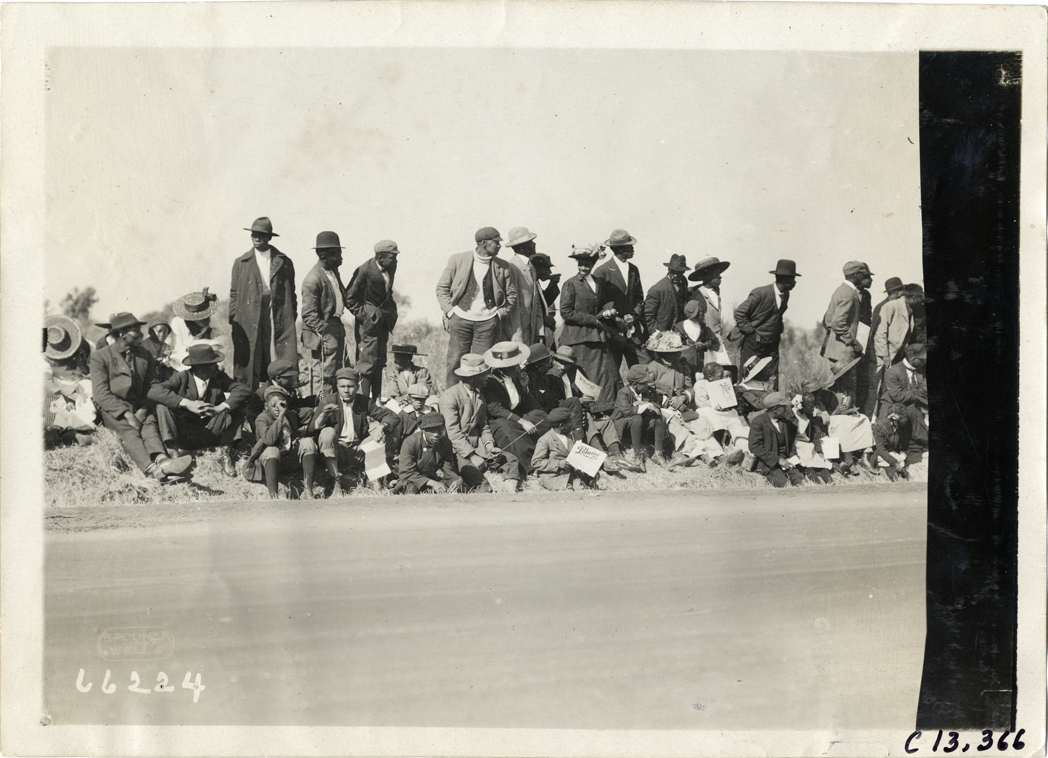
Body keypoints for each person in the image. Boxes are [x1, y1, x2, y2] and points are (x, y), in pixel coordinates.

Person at [89, 312, 193, 484]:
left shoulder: (144, 355)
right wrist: (127, 415)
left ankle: (163, 461)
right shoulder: (101, 357)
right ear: (122, 334)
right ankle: (153, 471)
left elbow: (152, 386)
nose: (142, 334)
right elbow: (101, 394)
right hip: (113, 407)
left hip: (138, 404)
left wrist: (144, 410)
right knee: (128, 430)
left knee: (149, 425)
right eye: (136, 331)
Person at [148, 344, 252, 477]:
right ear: (200, 367)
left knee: (236, 406)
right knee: (162, 406)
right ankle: (174, 456)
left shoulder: (218, 377)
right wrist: (187, 403)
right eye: (213, 364)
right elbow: (153, 391)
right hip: (185, 433)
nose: (217, 367)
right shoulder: (181, 378)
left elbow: (243, 390)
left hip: (211, 432)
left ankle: (227, 454)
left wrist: (220, 408)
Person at [435, 227, 518, 387]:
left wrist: (499, 315)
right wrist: (450, 311)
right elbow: (441, 288)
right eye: (496, 242)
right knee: (455, 361)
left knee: (481, 365)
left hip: (487, 324)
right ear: (483, 243)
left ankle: (477, 403)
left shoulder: (503, 267)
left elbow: (512, 295)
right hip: (460, 320)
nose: (500, 246)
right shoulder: (458, 260)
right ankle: (452, 399)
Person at [229, 217, 297, 390]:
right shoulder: (241, 262)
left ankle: (278, 395)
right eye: (254, 235)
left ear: (269, 237)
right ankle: (247, 401)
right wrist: (234, 317)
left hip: (275, 314)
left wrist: (290, 315)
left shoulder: (283, 261)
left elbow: (292, 292)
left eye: (261, 235)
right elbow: (234, 293)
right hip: (249, 316)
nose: (257, 238)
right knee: (249, 358)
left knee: (275, 355)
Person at [438, 353, 520, 492]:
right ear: (471, 377)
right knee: (479, 481)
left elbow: (484, 427)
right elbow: (453, 434)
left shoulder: (479, 396)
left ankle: (510, 493)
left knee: (510, 460)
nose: (486, 378)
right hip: (457, 451)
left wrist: (489, 446)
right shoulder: (449, 397)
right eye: (483, 375)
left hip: (479, 448)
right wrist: (472, 456)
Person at [313, 367, 400, 493]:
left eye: (350, 386)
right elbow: (311, 430)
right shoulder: (329, 400)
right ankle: (335, 481)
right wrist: (323, 416)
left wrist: (381, 427)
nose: (346, 390)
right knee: (327, 432)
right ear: (337, 386)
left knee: (387, 432)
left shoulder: (364, 401)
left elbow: (392, 416)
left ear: (357, 386)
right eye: (342, 386)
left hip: (358, 450)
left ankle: (375, 481)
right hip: (337, 451)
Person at [559, 244, 622, 403]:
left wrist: (608, 310)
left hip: (598, 336)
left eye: (587, 265)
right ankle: (588, 409)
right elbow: (566, 312)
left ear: (593, 265)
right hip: (578, 338)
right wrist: (593, 319)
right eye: (580, 264)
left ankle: (605, 407)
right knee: (584, 375)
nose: (583, 268)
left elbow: (604, 304)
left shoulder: (599, 283)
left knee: (604, 373)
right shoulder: (570, 284)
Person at [481, 341, 551, 481]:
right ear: (504, 368)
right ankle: (529, 468)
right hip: (499, 419)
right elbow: (495, 409)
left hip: (517, 414)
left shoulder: (517, 377)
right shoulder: (491, 382)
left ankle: (547, 454)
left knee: (541, 417)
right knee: (509, 431)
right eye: (514, 365)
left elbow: (526, 403)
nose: (518, 367)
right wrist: (522, 421)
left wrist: (525, 389)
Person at [346, 239, 401, 402]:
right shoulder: (364, 270)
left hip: (384, 321)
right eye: (393, 257)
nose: (396, 260)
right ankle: (365, 401)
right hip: (369, 325)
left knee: (379, 360)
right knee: (367, 363)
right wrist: (366, 316)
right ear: (380, 257)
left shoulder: (391, 266)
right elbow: (350, 298)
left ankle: (376, 400)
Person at [733, 259, 799, 391]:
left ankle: (771, 406)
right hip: (753, 345)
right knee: (748, 379)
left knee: (771, 379)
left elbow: (778, 314)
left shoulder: (786, 294)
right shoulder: (760, 293)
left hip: (772, 345)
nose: (795, 282)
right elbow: (739, 313)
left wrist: (778, 330)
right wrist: (751, 333)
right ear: (785, 279)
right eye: (792, 278)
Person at [301, 231, 349, 401]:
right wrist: (325, 332)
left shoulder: (333, 271)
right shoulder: (312, 279)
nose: (341, 258)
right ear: (324, 256)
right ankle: (322, 410)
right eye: (338, 255)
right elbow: (308, 314)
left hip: (335, 325)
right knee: (324, 374)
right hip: (323, 330)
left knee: (339, 369)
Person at [248, 385, 318, 499]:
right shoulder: (262, 418)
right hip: (270, 462)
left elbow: (309, 414)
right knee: (272, 450)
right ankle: (274, 496)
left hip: (289, 459)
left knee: (308, 442)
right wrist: (280, 416)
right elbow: (269, 440)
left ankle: (308, 491)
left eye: (282, 405)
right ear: (266, 406)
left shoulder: (290, 415)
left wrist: (319, 404)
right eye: (273, 405)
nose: (277, 408)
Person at [820, 260, 874, 407]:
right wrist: (853, 341)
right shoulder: (849, 293)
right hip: (844, 351)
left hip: (837, 350)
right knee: (847, 389)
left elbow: (829, 320)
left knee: (841, 386)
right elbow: (838, 323)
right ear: (856, 275)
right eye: (862, 274)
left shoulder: (840, 290)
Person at [748, 392, 830, 487]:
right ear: (775, 410)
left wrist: (793, 458)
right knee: (784, 484)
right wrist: (778, 460)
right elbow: (754, 446)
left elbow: (791, 445)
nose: (787, 409)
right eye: (784, 407)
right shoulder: (758, 422)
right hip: (768, 463)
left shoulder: (786, 423)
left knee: (800, 482)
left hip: (787, 461)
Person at [593, 228, 647, 369]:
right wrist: (616, 319)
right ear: (620, 249)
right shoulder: (602, 271)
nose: (633, 248)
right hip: (612, 332)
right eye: (630, 246)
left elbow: (639, 297)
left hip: (633, 332)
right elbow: (599, 302)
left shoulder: (634, 270)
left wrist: (633, 316)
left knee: (641, 369)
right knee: (612, 371)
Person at [44, 315, 97, 448]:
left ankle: (82, 430)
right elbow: (46, 380)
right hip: (58, 384)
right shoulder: (45, 353)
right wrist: (64, 396)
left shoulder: (89, 346)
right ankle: (64, 432)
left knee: (89, 398)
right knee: (56, 405)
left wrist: (83, 367)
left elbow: (95, 370)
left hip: (81, 382)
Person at [393, 412, 471, 494]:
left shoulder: (445, 442)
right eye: (432, 430)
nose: (436, 434)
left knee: (460, 488)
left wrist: (457, 480)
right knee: (412, 491)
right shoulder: (410, 442)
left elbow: (448, 470)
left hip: (432, 478)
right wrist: (433, 483)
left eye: (440, 429)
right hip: (412, 480)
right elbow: (406, 473)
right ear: (423, 430)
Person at [864, 276, 907, 419]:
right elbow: (876, 334)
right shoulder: (883, 307)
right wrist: (884, 355)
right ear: (896, 292)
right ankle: (869, 421)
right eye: (901, 292)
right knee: (874, 389)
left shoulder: (894, 306)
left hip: (889, 356)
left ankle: (883, 419)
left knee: (885, 389)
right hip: (877, 356)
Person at [687, 256, 736, 381]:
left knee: (724, 374)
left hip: (717, 341)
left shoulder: (716, 292)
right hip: (707, 345)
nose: (720, 277)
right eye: (716, 274)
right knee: (710, 375)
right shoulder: (698, 296)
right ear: (707, 276)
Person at [612, 364, 669, 471]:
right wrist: (647, 406)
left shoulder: (645, 392)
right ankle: (637, 455)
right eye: (644, 384)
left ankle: (658, 453)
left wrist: (643, 403)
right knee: (636, 418)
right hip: (624, 424)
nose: (647, 386)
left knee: (661, 419)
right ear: (634, 384)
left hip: (640, 425)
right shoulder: (623, 393)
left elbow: (657, 406)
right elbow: (627, 412)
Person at [531, 407, 601, 490]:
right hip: (554, 476)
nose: (573, 425)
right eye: (570, 422)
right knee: (571, 492)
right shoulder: (545, 440)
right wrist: (560, 463)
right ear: (562, 426)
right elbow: (536, 462)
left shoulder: (570, 436)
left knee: (583, 489)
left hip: (571, 475)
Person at [170, 288, 229, 374]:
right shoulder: (178, 322)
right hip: (186, 356)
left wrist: (211, 345)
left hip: (208, 355)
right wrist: (193, 348)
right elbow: (177, 347)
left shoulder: (213, 319)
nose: (206, 319)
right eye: (201, 318)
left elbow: (222, 339)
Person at [503, 226, 546, 346]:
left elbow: (535, 301)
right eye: (530, 242)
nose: (534, 244)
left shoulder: (530, 266)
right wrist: (517, 336)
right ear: (522, 247)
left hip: (530, 330)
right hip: (518, 331)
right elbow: (513, 305)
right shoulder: (512, 267)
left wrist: (539, 331)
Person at [872, 403, 928, 481]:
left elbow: (901, 443)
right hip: (882, 454)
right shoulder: (880, 427)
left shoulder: (900, 426)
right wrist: (894, 462)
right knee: (893, 473)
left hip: (894, 452)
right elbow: (880, 449)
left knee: (903, 465)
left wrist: (902, 452)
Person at [643, 254, 691, 334]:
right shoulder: (657, 289)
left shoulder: (683, 281)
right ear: (668, 269)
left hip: (679, 332)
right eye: (673, 272)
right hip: (662, 333)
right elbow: (648, 317)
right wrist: (657, 335)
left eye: (679, 273)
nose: (676, 275)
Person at [674, 299, 717, 382]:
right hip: (685, 362)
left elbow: (708, 340)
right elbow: (676, 345)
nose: (703, 314)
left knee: (698, 380)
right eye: (701, 312)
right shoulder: (679, 327)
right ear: (694, 313)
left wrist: (704, 345)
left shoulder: (702, 326)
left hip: (699, 362)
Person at [880, 343, 927, 419]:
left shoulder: (921, 369)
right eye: (922, 360)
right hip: (893, 407)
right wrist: (919, 393)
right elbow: (898, 397)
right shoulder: (892, 372)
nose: (925, 362)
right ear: (912, 358)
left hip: (913, 407)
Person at [530, 253, 561, 347]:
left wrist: (553, 284)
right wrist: (543, 319)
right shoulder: (530, 284)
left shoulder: (536, 283)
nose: (550, 272)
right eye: (547, 268)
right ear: (538, 268)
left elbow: (544, 302)